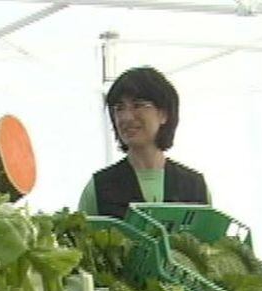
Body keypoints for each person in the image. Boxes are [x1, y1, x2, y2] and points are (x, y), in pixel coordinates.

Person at [78, 66, 209, 219]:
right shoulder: (99, 187)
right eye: (119, 108)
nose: (127, 117)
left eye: (138, 105)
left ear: (163, 114)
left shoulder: (194, 186)